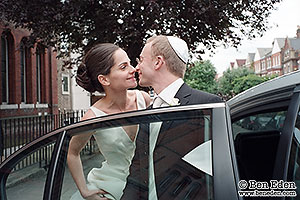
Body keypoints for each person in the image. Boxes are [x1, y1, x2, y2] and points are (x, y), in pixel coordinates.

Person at [121, 35, 223, 199]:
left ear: (157, 62)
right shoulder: (148, 112)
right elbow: (137, 171)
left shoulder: (205, 105)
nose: (136, 67)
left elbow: (216, 172)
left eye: (141, 60)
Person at [67, 43, 151, 200]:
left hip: (150, 180)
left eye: (130, 64)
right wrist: (85, 191)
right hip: (112, 187)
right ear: (104, 79)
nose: (133, 69)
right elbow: (72, 153)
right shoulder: (93, 116)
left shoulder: (143, 99)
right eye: (123, 67)